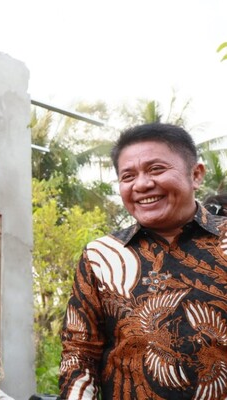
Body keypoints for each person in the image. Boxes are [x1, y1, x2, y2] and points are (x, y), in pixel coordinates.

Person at [58, 123, 227, 399]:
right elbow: (80, 354)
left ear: (195, 174)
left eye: (156, 169)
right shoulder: (101, 256)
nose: (142, 184)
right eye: (128, 176)